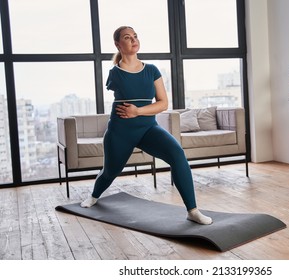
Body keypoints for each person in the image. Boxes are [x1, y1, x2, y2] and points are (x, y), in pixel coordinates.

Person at [80, 26, 212, 225]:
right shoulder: (114, 73)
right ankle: (94, 195)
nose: (133, 40)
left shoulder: (151, 70)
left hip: (148, 129)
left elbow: (163, 103)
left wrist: (138, 111)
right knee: (110, 171)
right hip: (120, 132)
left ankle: (192, 210)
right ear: (118, 44)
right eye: (127, 37)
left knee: (178, 155)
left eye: (135, 36)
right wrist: (134, 111)